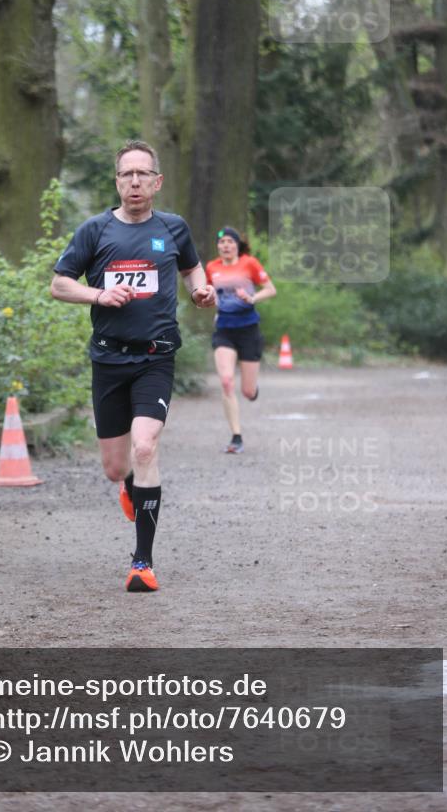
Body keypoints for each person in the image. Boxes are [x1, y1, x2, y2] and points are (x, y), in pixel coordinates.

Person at [50, 141, 216, 593]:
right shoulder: (95, 230)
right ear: (117, 182)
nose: (135, 182)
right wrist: (98, 294)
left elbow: (192, 270)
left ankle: (142, 562)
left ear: (157, 182)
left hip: (155, 358)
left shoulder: (173, 228)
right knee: (115, 466)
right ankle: (128, 484)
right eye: (127, 174)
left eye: (143, 174)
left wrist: (201, 291)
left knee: (145, 447)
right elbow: (60, 285)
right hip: (108, 358)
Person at [205, 227, 276, 454]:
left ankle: (252, 389)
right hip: (224, 329)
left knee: (247, 392)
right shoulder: (211, 267)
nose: (225, 245)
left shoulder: (249, 263)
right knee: (226, 381)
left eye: (230, 241)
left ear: (237, 245)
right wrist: (210, 301)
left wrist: (251, 297)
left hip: (248, 330)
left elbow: (270, 290)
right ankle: (236, 437)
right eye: (221, 242)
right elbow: (208, 293)